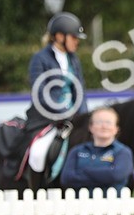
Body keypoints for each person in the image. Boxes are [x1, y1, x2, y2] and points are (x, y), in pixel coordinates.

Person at [27, 12, 89, 176]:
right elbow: (39, 92)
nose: (77, 42)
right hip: (46, 118)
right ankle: (38, 186)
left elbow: (80, 89)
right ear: (60, 36)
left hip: (72, 117)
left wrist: (83, 116)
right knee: (38, 153)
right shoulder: (39, 59)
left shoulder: (74, 60)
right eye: (74, 37)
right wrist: (62, 113)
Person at [60, 107, 134, 192]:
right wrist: (104, 175)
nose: (104, 126)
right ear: (91, 127)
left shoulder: (123, 152)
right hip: (81, 204)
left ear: (116, 129)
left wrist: (85, 171)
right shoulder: (76, 151)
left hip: (113, 204)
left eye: (108, 122)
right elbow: (66, 179)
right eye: (99, 122)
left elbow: (115, 176)